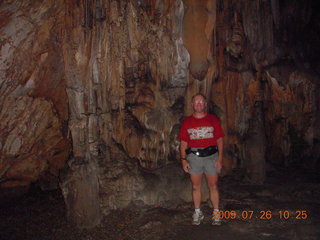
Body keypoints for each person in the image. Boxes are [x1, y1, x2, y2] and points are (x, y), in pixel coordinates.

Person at [178, 93, 224, 225]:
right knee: (195, 187)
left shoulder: (213, 119)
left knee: (213, 185)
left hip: (211, 157)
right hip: (194, 158)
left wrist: (220, 159)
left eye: (201, 102)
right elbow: (183, 143)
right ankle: (198, 212)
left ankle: (216, 212)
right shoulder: (187, 122)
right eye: (196, 102)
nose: (198, 104)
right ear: (192, 105)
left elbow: (220, 140)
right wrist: (184, 160)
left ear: (205, 104)